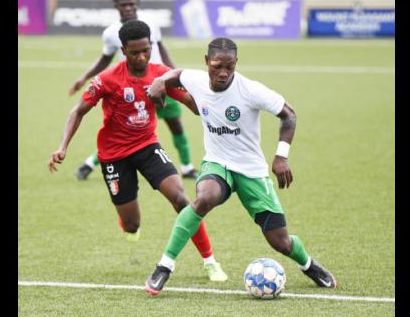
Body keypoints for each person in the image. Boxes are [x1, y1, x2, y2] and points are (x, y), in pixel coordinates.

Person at [144, 37, 337, 296]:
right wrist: (159, 82)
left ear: (236, 64)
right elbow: (177, 74)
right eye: (216, 67)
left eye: (230, 67)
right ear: (206, 63)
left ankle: (309, 265)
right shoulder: (196, 79)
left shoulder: (251, 90)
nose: (223, 73)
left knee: (280, 241)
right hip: (217, 162)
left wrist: (281, 156)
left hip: (251, 171)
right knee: (205, 197)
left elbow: (289, 114)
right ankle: (164, 267)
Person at [48, 20, 228, 282]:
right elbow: (78, 111)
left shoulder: (161, 74)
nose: (142, 56)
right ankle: (127, 223)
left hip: (147, 146)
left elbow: (192, 102)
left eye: (146, 50)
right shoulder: (107, 80)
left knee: (181, 199)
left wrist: (217, 113)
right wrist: (62, 146)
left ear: (151, 46)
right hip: (113, 155)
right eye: (135, 52)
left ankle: (210, 261)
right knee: (132, 225)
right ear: (123, 50)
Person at [69, 0, 198, 181]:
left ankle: (187, 167)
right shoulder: (111, 33)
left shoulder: (151, 24)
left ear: (137, 3)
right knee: (127, 131)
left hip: (162, 82)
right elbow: (105, 59)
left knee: (175, 125)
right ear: (116, 6)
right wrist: (84, 77)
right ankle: (89, 163)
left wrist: (177, 76)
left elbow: (162, 50)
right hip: (134, 87)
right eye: (123, 5)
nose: (128, 8)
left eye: (131, 3)